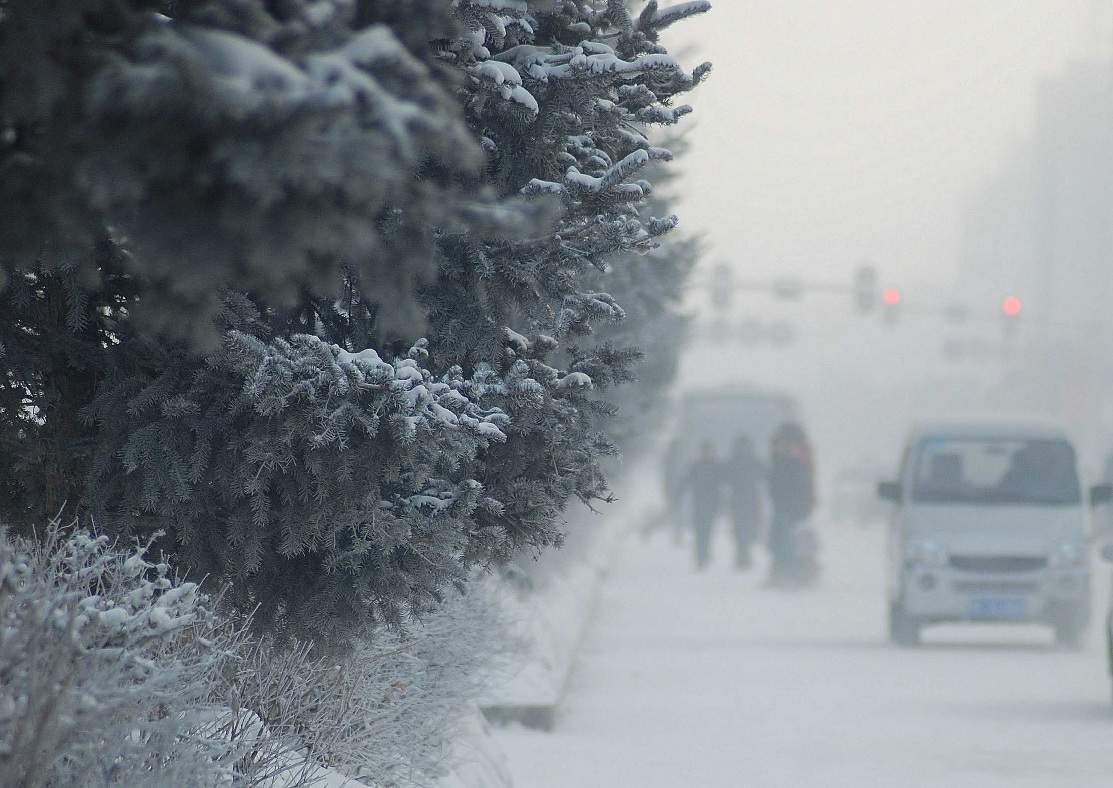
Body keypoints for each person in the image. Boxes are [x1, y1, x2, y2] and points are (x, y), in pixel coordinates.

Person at [767, 422, 815, 584]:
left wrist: (802, 509)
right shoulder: (777, 464)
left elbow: (804, 489)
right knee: (778, 543)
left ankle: (792, 573)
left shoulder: (796, 465)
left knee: (791, 543)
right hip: (782, 510)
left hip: (794, 511)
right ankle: (783, 572)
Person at [679, 441, 724, 570]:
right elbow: (686, 482)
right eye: (705, 450)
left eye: (708, 450)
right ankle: (700, 557)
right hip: (698, 504)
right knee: (699, 532)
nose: (707, 453)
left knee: (708, 531)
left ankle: (705, 555)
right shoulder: (695, 466)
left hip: (712, 505)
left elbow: (723, 484)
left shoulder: (717, 467)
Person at [724, 435, 764, 569]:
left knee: (747, 530)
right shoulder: (734, 462)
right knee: (739, 531)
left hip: (749, 501)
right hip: (738, 501)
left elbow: (762, 477)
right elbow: (726, 480)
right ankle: (742, 557)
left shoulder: (753, 462)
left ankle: (744, 557)